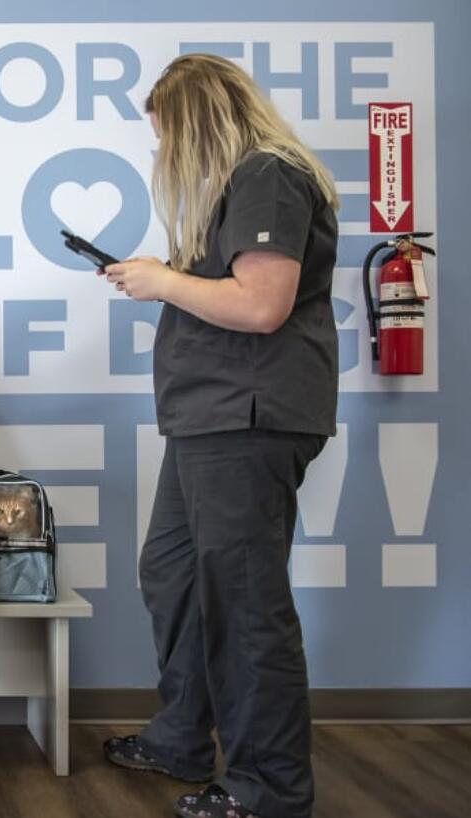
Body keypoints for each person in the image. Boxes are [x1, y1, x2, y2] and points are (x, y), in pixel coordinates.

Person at [99, 54, 340, 818]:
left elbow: (264, 303)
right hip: (208, 420)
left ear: (198, 121)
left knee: (244, 603)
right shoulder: (241, 186)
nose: (164, 154)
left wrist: (164, 282)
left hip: (247, 418)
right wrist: (169, 272)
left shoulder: (268, 173)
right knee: (170, 571)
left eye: (167, 135)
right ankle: (180, 735)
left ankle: (268, 790)